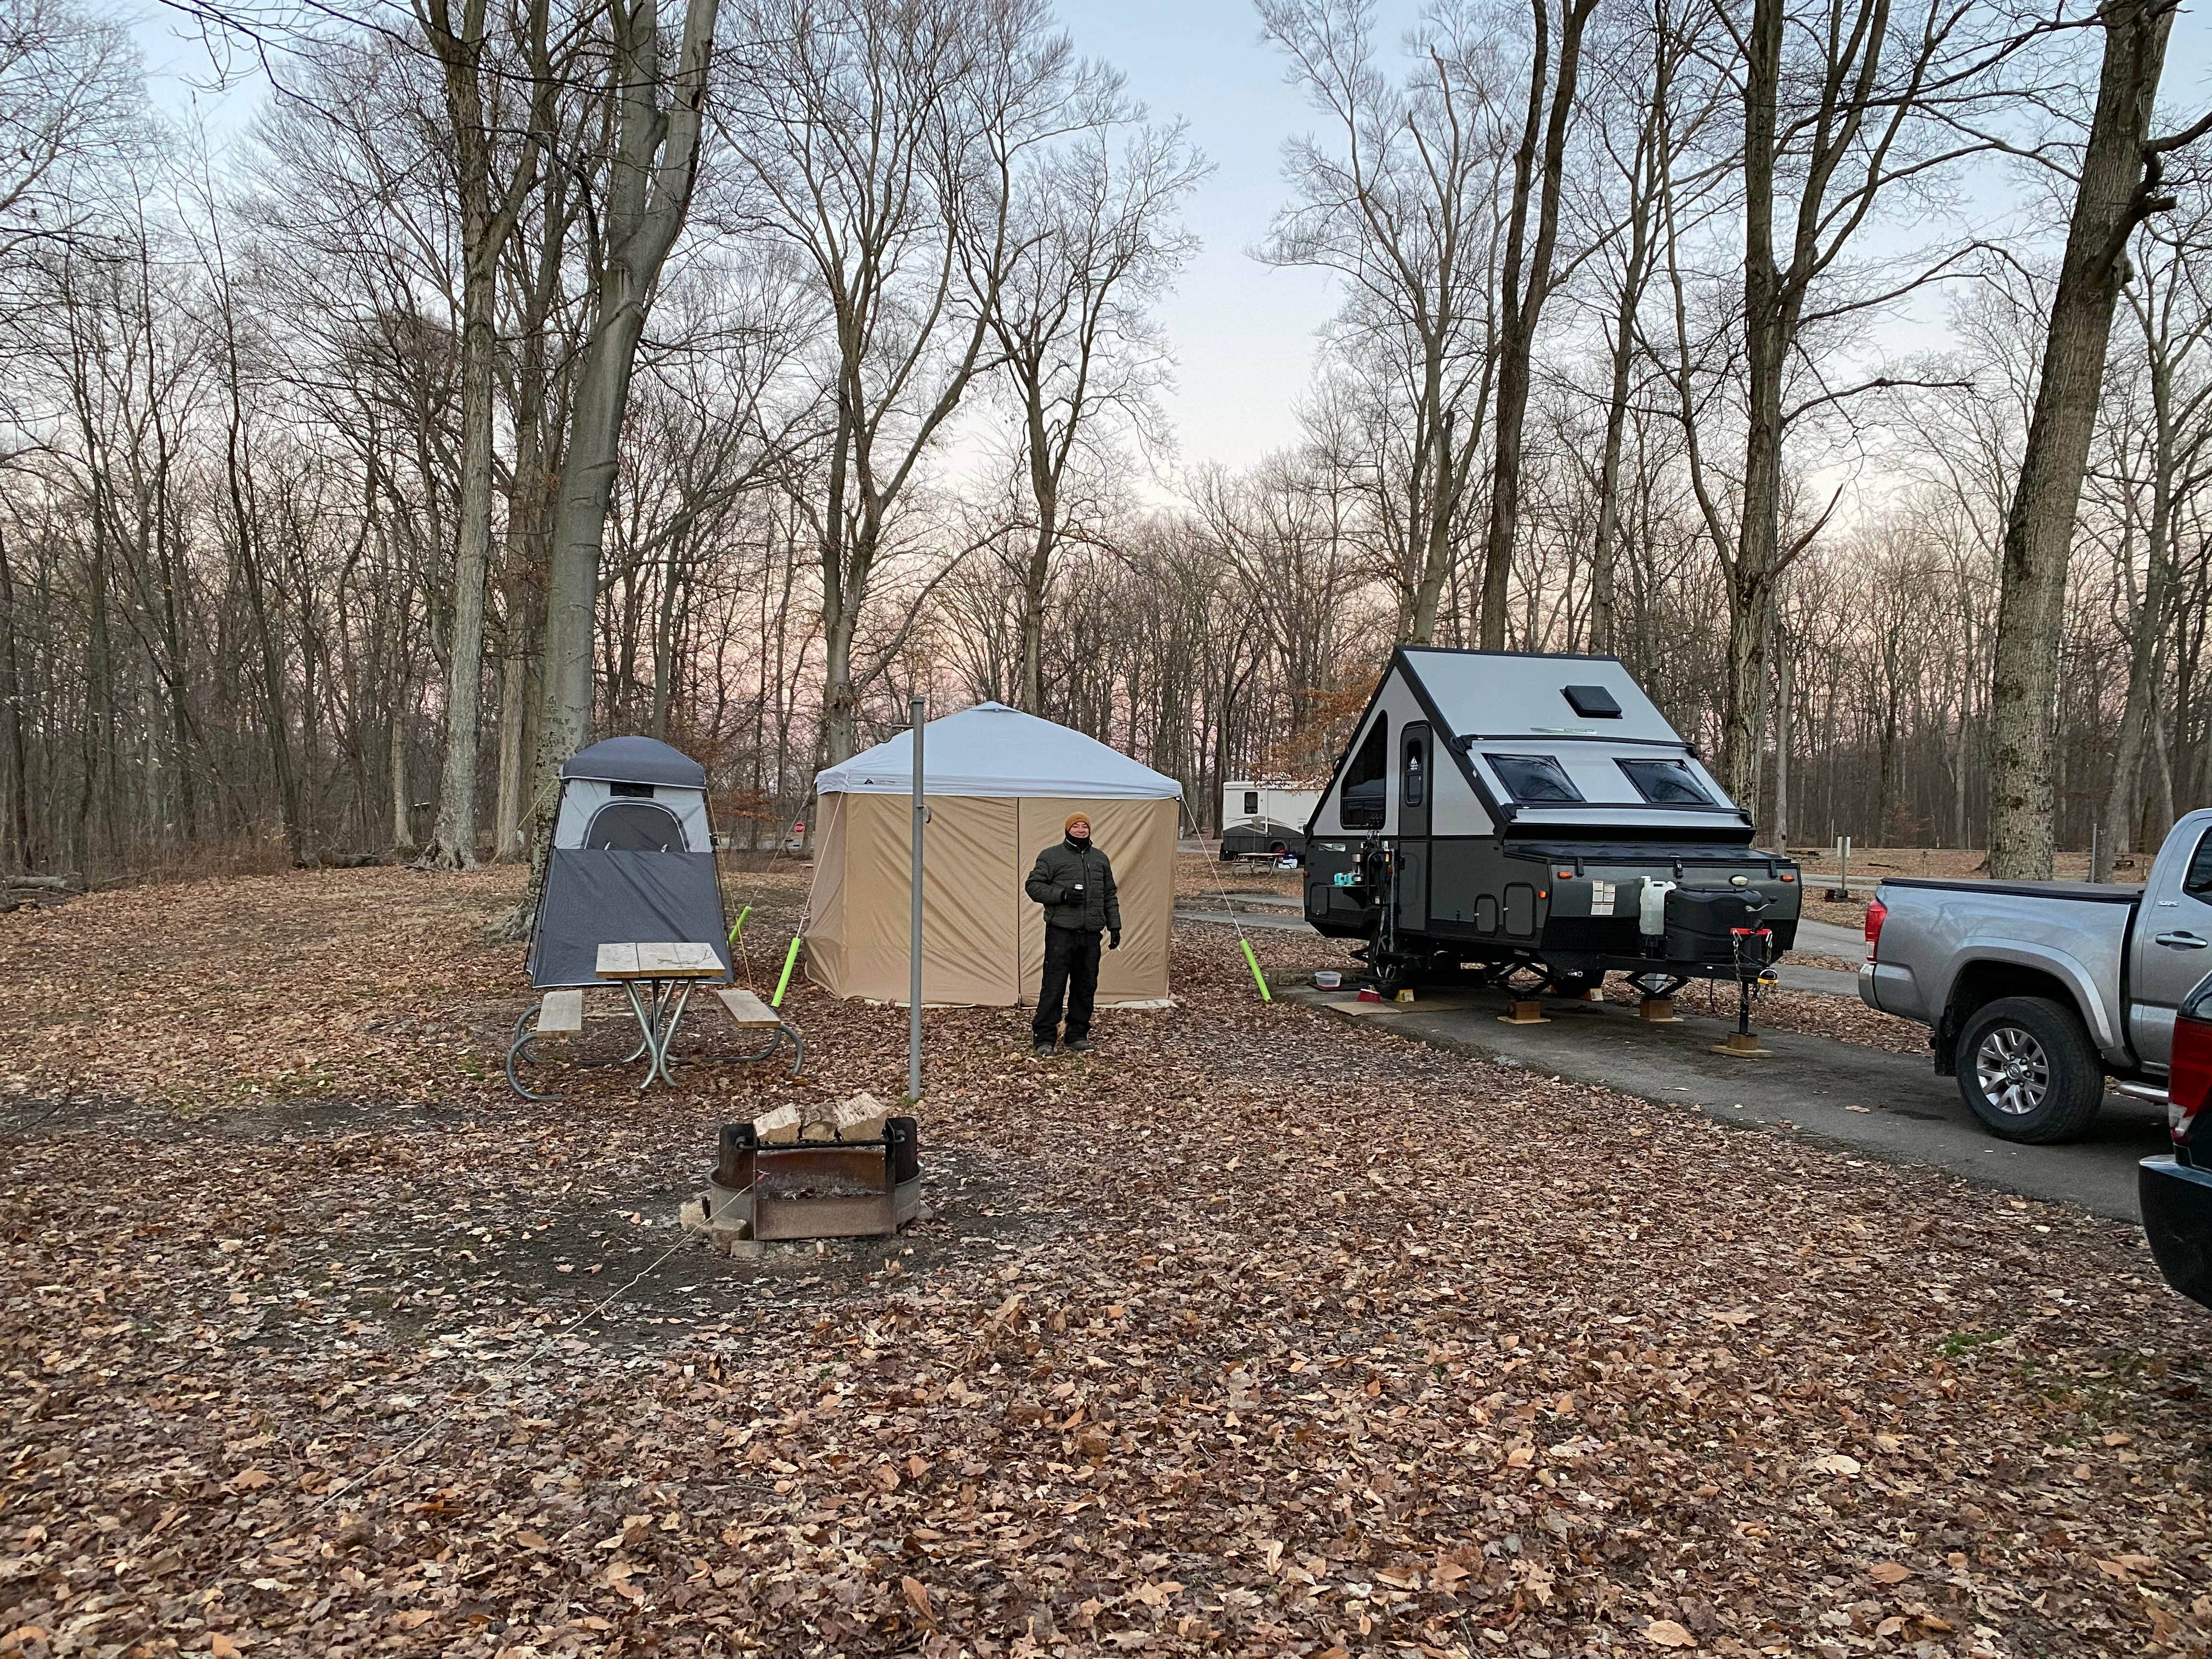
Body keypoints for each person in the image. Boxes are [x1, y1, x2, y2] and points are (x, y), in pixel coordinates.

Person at [1024, 811, 1121, 1056]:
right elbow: (1033, 886)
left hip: (1091, 934)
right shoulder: (1051, 856)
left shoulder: (1100, 859)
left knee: (1085, 986)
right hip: (1061, 932)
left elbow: (1109, 894)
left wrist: (1114, 925)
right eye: (1075, 826)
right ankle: (1044, 1037)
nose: (1080, 829)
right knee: (1054, 985)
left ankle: (1077, 1034)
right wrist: (1063, 895)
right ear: (1067, 830)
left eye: (1084, 826)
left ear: (1090, 830)